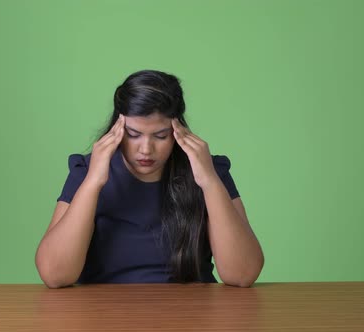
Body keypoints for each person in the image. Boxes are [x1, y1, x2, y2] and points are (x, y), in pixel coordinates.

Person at [35, 69, 264, 288]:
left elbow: (242, 274)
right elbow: (55, 275)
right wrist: (94, 181)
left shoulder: (210, 170)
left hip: (191, 314)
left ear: (177, 130)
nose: (146, 149)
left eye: (161, 135)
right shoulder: (85, 171)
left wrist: (209, 181)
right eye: (133, 135)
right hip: (103, 314)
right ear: (117, 127)